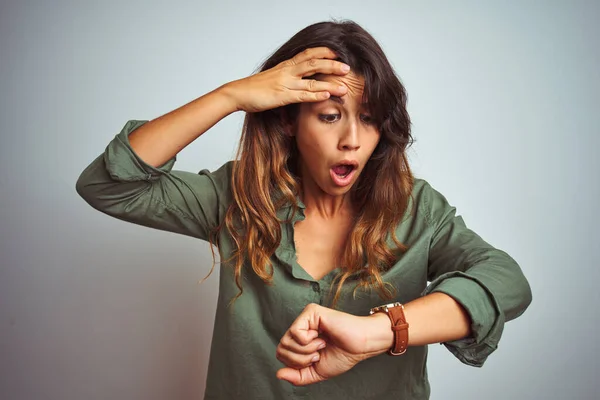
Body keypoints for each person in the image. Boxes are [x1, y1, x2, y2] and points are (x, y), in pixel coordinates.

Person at [76, 19, 532, 400]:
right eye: (330, 116)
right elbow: (109, 184)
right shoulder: (239, 195)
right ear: (289, 120)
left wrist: (379, 331)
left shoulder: (416, 209)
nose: (353, 138)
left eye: (370, 118)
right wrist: (231, 96)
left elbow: (506, 282)